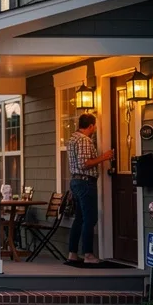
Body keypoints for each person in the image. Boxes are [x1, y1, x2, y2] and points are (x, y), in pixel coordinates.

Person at [66, 113, 114, 264]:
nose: (95, 129)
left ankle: (73, 253)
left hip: (76, 181)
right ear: (91, 126)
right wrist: (104, 157)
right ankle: (88, 254)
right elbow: (84, 163)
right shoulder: (84, 140)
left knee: (79, 218)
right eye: (95, 126)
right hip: (85, 182)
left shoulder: (72, 138)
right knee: (90, 218)